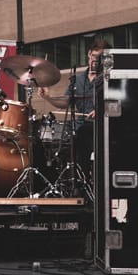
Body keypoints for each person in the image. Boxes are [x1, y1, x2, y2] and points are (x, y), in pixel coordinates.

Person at [38, 39, 111, 180]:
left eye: (100, 58)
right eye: (94, 56)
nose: (96, 61)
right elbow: (65, 102)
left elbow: (120, 101)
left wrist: (101, 109)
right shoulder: (77, 79)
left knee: (82, 134)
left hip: (101, 127)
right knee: (54, 137)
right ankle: (64, 180)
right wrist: (47, 97)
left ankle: (83, 179)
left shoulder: (109, 78)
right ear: (89, 54)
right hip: (78, 126)